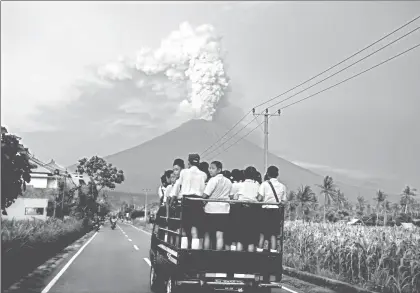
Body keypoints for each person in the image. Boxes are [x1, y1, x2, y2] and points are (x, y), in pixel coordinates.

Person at [170, 154, 207, 250]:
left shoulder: (184, 172)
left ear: (188, 162)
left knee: (184, 230)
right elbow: (203, 190)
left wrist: (173, 198)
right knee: (195, 230)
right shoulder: (203, 175)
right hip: (198, 202)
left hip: (186, 202)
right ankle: (194, 253)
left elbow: (178, 185)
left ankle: (183, 252)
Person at [202, 161, 232, 251]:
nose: (210, 170)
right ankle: (218, 256)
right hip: (224, 211)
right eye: (209, 168)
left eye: (212, 168)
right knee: (220, 235)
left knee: (207, 234)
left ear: (219, 170)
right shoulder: (228, 181)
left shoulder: (213, 180)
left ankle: (206, 255)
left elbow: (205, 196)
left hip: (211, 210)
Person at [257, 166, 286, 253]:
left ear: (268, 174)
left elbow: (260, 198)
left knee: (262, 233)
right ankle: (273, 254)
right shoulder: (282, 186)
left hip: (265, 210)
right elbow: (283, 201)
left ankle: (259, 252)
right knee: (274, 234)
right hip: (276, 211)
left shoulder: (264, 184)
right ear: (277, 174)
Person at [235, 166, 260, 252]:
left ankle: (238, 259)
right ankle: (250, 260)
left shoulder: (240, 185)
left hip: (241, 210)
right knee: (251, 238)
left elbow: (235, 197)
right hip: (253, 211)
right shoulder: (257, 186)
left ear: (244, 174)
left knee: (239, 237)